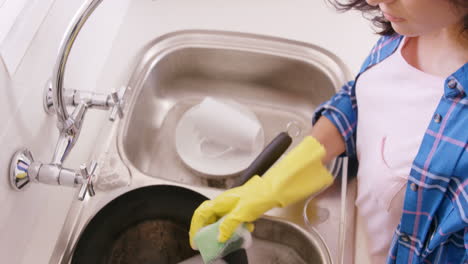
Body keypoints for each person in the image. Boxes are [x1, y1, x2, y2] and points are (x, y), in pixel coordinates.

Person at [189, 0, 468, 262]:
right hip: (359, 232)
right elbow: (364, 100)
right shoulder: (414, 24)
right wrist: (271, 186)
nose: (372, 1)